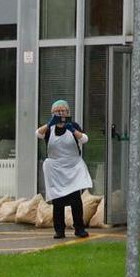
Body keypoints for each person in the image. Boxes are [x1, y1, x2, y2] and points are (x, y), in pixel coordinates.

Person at [36, 100, 92, 239]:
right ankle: (59, 230)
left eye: (63, 111)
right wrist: (50, 123)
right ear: (53, 113)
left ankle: (79, 229)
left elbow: (84, 139)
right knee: (58, 201)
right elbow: (38, 134)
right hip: (56, 170)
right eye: (58, 111)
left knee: (75, 200)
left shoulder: (73, 126)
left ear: (68, 112)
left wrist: (72, 130)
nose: (61, 113)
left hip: (73, 168)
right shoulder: (49, 129)